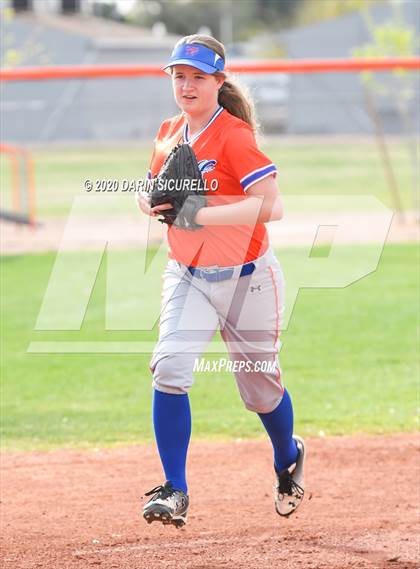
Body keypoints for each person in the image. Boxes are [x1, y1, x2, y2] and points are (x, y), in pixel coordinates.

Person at [137, 34, 306, 528]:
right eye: (179, 76)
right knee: (170, 367)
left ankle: (287, 455)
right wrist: (148, 202)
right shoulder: (169, 131)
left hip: (247, 279)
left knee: (259, 391)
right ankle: (175, 489)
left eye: (198, 77)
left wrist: (202, 211)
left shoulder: (233, 135)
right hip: (188, 274)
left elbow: (272, 206)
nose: (186, 85)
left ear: (218, 81)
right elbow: (151, 193)